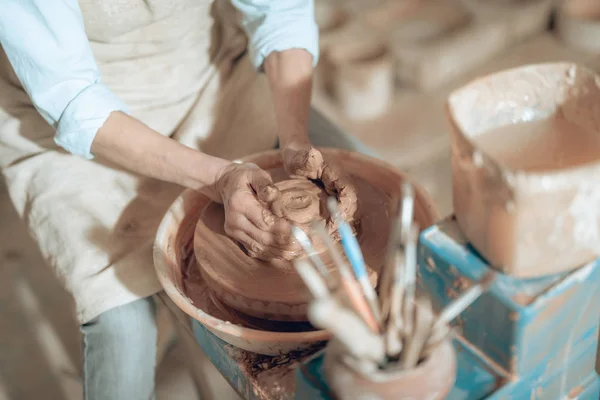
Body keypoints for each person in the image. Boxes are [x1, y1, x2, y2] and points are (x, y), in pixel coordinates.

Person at [0, 0, 376, 399]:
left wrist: (295, 140)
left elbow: (280, 13)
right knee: (121, 328)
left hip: (206, 76)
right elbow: (74, 104)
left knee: (379, 201)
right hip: (76, 134)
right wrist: (218, 177)